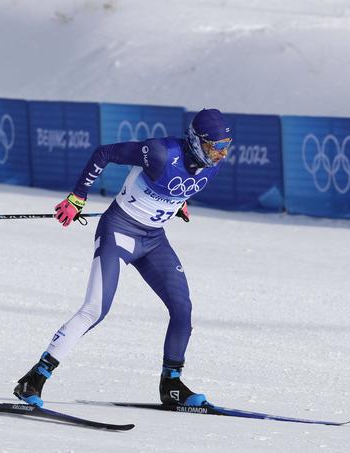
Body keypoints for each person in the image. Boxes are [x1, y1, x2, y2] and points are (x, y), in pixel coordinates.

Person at [14, 109, 233, 408]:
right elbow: (104, 153)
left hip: (154, 240)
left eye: (225, 146)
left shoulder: (212, 166)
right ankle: (34, 379)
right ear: (196, 141)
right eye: (213, 147)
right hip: (120, 231)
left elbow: (177, 185)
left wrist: (175, 204)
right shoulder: (159, 152)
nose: (220, 154)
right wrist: (78, 197)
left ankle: (171, 385)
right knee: (94, 310)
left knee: (182, 309)